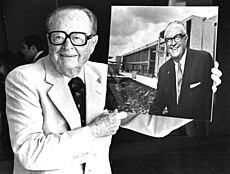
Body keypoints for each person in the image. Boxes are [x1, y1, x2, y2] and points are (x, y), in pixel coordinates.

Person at [5, 5, 126, 174]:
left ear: (93, 43)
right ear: (49, 41)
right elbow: (30, 153)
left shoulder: (105, 74)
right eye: (59, 37)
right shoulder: (23, 79)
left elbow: (148, 120)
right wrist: (94, 132)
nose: (67, 46)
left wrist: (176, 106)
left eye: (78, 38)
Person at [149, 20, 215, 121]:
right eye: (168, 40)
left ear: (186, 38)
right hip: (175, 129)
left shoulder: (203, 60)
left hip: (198, 129)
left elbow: (213, 100)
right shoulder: (163, 70)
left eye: (177, 37)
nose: (173, 43)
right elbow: (158, 103)